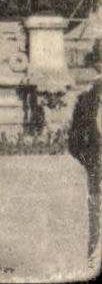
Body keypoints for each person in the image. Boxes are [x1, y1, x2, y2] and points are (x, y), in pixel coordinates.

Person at [68, 75, 102, 262]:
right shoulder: (85, 100)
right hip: (97, 171)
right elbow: (74, 142)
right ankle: (94, 258)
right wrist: (89, 162)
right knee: (96, 220)